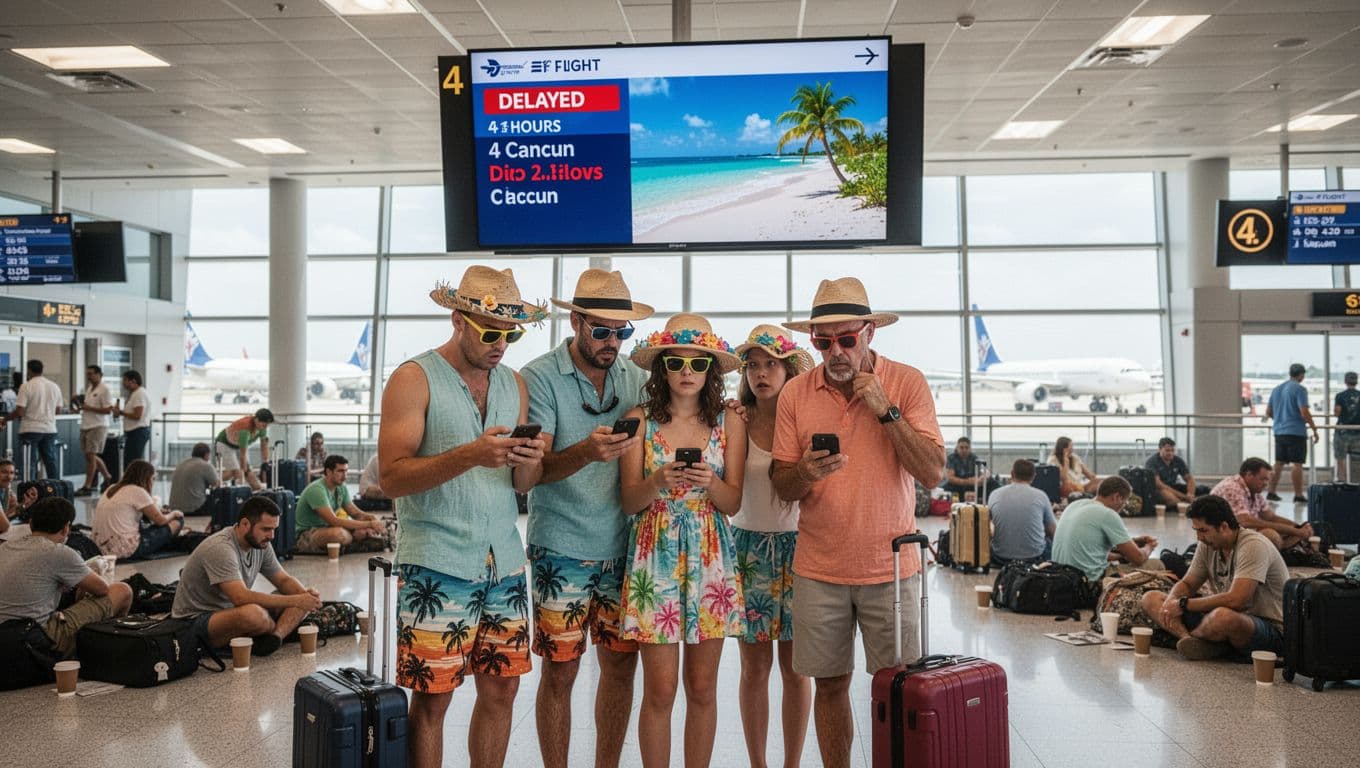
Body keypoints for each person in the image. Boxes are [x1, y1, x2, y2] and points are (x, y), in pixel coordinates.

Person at [769, 277, 944, 768]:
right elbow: (783, 486)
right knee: (828, 685)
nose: (836, 352)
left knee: (899, 689)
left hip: (891, 566)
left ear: (870, 332)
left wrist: (884, 409)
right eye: (823, 342)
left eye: (846, 339)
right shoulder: (796, 394)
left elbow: (931, 471)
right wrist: (804, 471)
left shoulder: (906, 383)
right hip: (818, 567)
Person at [378, 266, 546, 768]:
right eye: (492, 332)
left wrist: (530, 461)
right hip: (438, 561)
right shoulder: (413, 378)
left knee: (502, 693)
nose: (502, 344)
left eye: (511, 334)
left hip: (505, 561)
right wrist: (470, 455)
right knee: (433, 698)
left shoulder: (514, 384)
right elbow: (392, 477)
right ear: (458, 319)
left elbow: (521, 486)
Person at [520, 268, 651, 768]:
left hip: (624, 547)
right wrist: (585, 453)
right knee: (561, 672)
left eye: (622, 332)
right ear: (575, 322)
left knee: (620, 669)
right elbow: (534, 473)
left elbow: (686, 404)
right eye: (601, 330)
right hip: (561, 547)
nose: (612, 342)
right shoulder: (540, 376)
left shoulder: (635, 374)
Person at [618, 312, 747, 768]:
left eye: (698, 364)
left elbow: (732, 503)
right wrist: (656, 479)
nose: (688, 373)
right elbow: (630, 501)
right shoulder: (638, 420)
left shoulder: (730, 422)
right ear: (662, 369)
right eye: (677, 363)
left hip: (711, 555)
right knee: (659, 689)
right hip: (655, 554)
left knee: (703, 687)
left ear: (711, 369)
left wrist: (710, 482)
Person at [731, 324, 814, 768]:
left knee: (796, 669)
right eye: (753, 366)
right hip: (747, 548)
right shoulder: (736, 419)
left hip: (802, 547)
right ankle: (758, 763)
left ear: (787, 369)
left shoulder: (802, 417)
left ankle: (792, 763)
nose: (761, 374)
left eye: (770, 364)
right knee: (754, 669)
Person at [1141, 495, 1289, 660]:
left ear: (1224, 527)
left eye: (1203, 530)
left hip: (1267, 627)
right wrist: (1172, 600)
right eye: (1196, 531)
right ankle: (1189, 640)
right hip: (1223, 615)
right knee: (1151, 598)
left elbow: (1238, 601)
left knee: (1222, 617)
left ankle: (1199, 640)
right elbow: (1189, 583)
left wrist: (1183, 604)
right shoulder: (1207, 545)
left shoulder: (1253, 545)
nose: (1199, 537)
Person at [171, 495, 321, 655]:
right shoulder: (220, 548)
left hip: (233, 611)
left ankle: (275, 638)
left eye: (274, 529)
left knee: (307, 592)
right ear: (244, 524)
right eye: (266, 529)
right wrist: (297, 601)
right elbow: (240, 597)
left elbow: (283, 580)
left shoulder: (262, 544)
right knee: (254, 614)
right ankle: (275, 629)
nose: (271, 536)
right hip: (196, 620)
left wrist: (306, 598)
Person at [0, 497, 133, 657]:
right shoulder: (59, 552)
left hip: (5, 637)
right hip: (36, 639)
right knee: (122, 591)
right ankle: (112, 649)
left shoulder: (6, 547)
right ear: (66, 528)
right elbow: (102, 589)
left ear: (30, 523)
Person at [1051, 476, 1159, 585]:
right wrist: (1149, 546)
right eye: (1124, 502)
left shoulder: (1074, 505)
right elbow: (1138, 558)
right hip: (1089, 582)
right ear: (1117, 497)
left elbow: (1090, 550)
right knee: (1157, 565)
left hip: (1061, 577)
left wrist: (1132, 542)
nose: (1123, 507)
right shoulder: (1107, 513)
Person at [1210, 458, 1311, 551]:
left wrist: (1297, 527)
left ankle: (1276, 552)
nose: (1266, 483)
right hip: (1220, 537)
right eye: (1263, 479)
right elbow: (1245, 521)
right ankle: (1275, 553)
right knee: (1271, 536)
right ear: (1249, 475)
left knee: (1287, 533)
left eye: (1267, 480)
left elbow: (1270, 517)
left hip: (1238, 533)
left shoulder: (1253, 490)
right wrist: (1293, 531)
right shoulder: (1232, 488)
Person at [92, 459, 185, 560]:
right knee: (178, 521)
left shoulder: (112, 488)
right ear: (147, 478)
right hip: (124, 550)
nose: (153, 482)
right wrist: (174, 513)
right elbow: (161, 521)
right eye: (153, 478)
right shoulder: (138, 491)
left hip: (100, 548)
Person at [294, 454, 386, 554]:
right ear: (328, 472)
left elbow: (355, 513)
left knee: (361, 531)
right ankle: (353, 543)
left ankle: (348, 544)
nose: (345, 476)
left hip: (327, 528)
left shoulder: (341, 487)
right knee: (339, 534)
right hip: (307, 534)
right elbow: (334, 521)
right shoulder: (317, 490)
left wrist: (371, 517)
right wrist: (369, 524)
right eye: (340, 471)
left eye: (346, 471)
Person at [1265, 363, 1319, 503]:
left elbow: (1269, 412)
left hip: (1279, 431)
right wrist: (1314, 428)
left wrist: (1281, 419)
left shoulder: (1277, 389)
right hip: (1296, 431)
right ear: (1301, 375)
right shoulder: (1300, 389)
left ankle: (1271, 492)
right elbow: (1304, 411)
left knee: (1278, 463)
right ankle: (1298, 494)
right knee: (1297, 464)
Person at [987, 459, 1057, 565]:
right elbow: (1053, 531)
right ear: (1034, 476)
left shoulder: (994, 494)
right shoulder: (1041, 496)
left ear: (1012, 474)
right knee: (1049, 542)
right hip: (1034, 558)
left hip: (1000, 557)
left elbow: (988, 524)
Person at [5, 359, 63, 480]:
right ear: (42, 370)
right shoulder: (54, 386)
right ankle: (56, 489)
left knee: (29, 463)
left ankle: (29, 490)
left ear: (29, 370)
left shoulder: (26, 386)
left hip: (30, 429)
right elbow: (58, 411)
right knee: (50, 462)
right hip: (50, 429)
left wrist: (4, 419)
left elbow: (20, 411)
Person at [75, 365, 116, 496]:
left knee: (91, 455)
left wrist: (89, 408)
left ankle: (88, 486)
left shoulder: (104, 390)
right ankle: (108, 477)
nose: (89, 377)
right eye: (87, 374)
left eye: (91, 374)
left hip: (98, 426)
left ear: (99, 374)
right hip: (86, 425)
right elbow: (88, 407)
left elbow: (108, 410)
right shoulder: (89, 389)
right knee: (89, 455)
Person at [213, 408, 274, 490]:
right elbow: (243, 455)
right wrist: (243, 476)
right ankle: (211, 482)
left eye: (267, 425)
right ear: (256, 420)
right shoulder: (245, 429)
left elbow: (264, 445)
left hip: (237, 445)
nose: (265, 427)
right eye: (264, 425)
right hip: (224, 443)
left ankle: (257, 492)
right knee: (235, 472)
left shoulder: (262, 427)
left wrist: (265, 462)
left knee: (250, 476)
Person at [1145, 437, 1205, 506]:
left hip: (1173, 487)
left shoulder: (1177, 460)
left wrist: (1190, 494)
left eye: (1172, 450)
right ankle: (1186, 506)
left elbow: (1189, 479)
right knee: (1169, 497)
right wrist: (1184, 496)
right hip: (1158, 490)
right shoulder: (1152, 462)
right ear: (1159, 450)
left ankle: (1189, 503)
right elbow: (1159, 485)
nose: (1170, 453)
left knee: (1202, 489)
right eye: (1167, 450)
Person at [169, 442, 220, 516]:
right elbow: (217, 484)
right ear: (206, 454)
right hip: (194, 509)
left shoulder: (181, 464)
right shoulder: (206, 465)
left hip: (174, 508)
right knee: (220, 497)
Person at [941, 436, 996, 500]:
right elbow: (950, 478)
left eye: (966, 448)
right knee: (945, 489)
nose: (964, 450)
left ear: (970, 448)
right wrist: (968, 481)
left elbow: (984, 471)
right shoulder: (951, 458)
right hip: (957, 486)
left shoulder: (974, 457)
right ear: (957, 448)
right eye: (961, 448)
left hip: (972, 485)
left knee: (992, 482)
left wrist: (982, 478)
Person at [117, 370, 152, 464]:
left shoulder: (139, 394)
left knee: (133, 462)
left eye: (125, 380)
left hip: (137, 432)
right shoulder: (134, 394)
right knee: (131, 461)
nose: (123, 383)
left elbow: (137, 415)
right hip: (134, 432)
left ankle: (135, 479)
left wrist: (121, 412)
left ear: (133, 381)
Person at [1334, 371, 1360, 481]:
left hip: (1342, 431)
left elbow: (1337, 412)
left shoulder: (1340, 396)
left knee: (1341, 458)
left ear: (1345, 381)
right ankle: (1356, 483)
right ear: (1356, 381)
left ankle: (1342, 482)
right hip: (1358, 432)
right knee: (1357, 459)